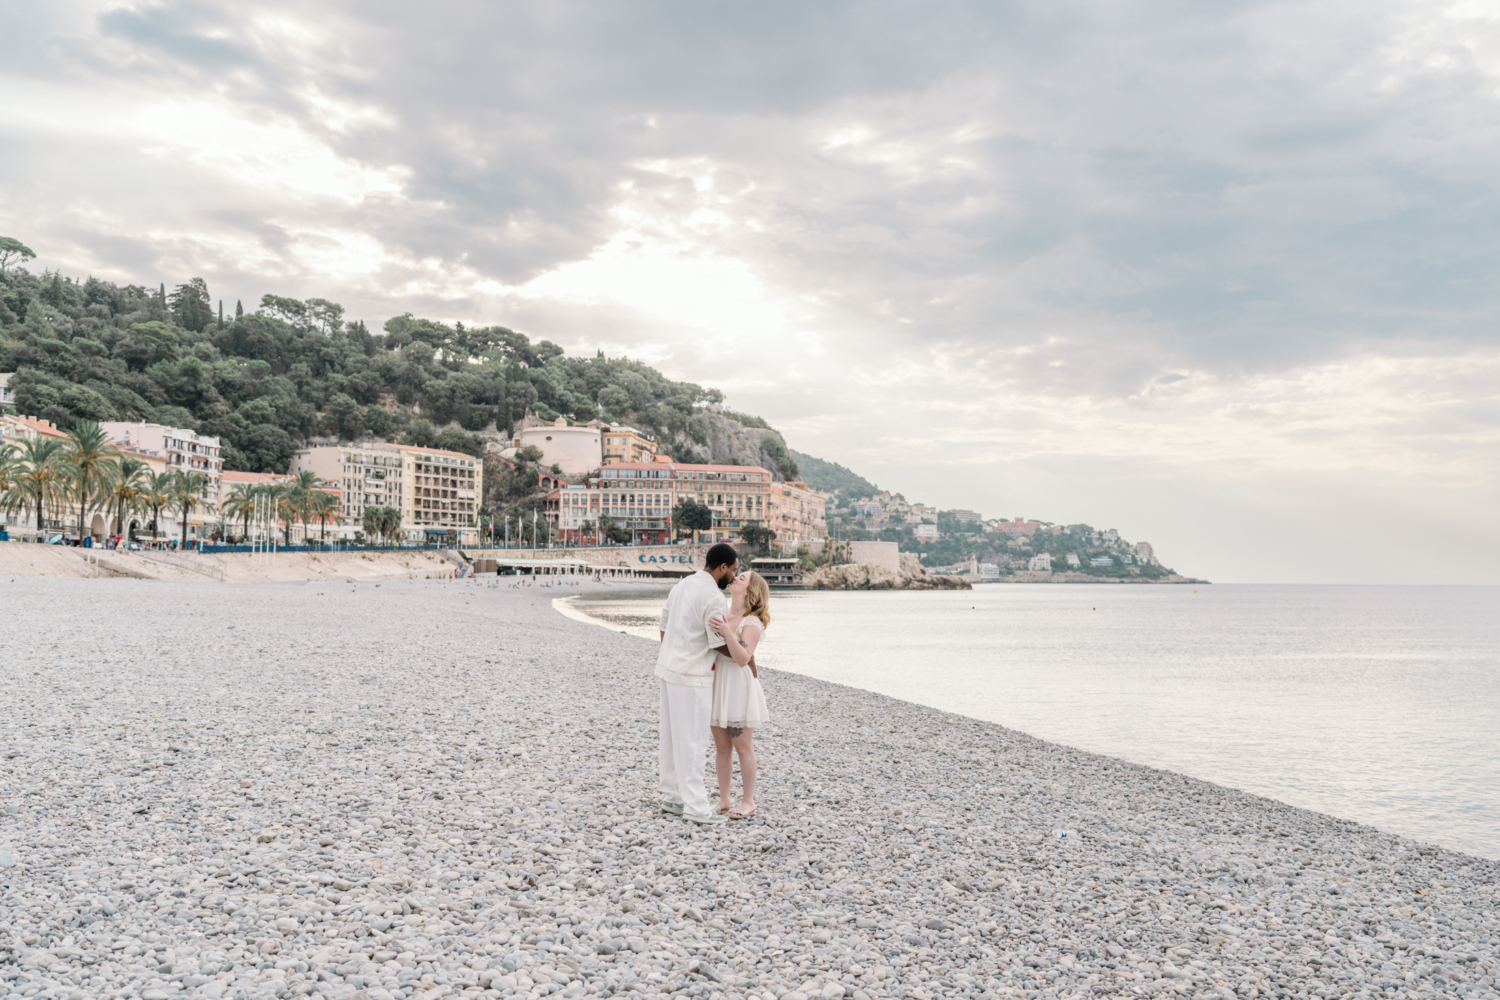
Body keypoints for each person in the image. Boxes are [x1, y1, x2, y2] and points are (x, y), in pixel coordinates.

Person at [654, 542, 739, 825]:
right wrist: (744, 653)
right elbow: (718, 643)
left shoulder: (683, 585)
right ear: (722, 567)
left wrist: (673, 651)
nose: (733, 577)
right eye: (733, 571)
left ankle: (674, 797)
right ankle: (697, 806)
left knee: (671, 737)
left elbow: (663, 624)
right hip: (692, 675)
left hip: (669, 669)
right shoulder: (713, 596)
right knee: (691, 741)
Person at [709, 570, 771, 819]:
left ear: (750, 590)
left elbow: (744, 658)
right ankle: (724, 799)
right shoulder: (724, 613)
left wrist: (726, 632)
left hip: (739, 684)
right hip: (719, 682)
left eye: (742, 577)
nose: (735, 577)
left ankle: (748, 801)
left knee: (743, 746)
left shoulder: (751, 621)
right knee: (721, 747)